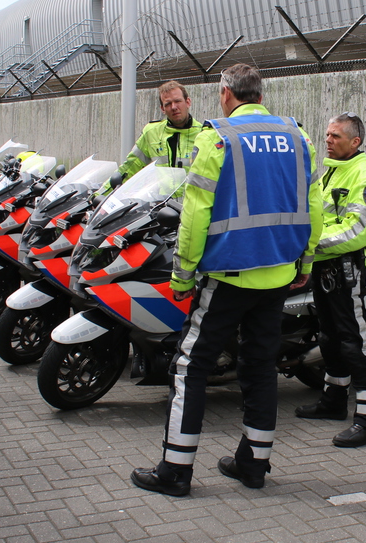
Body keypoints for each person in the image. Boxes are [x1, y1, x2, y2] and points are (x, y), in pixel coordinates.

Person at [131, 63, 323, 496]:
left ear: (225, 94)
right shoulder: (298, 137)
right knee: (259, 367)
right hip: (278, 273)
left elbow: (195, 215)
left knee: (188, 366)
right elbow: (314, 206)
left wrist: (182, 274)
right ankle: (253, 465)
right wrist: (305, 263)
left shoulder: (216, 137)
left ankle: (175, 470)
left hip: (228, 275)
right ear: (259, 93)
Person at [294, 113, 366, 447]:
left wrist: (307, 243)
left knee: (354, 341)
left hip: (345, 269)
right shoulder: (331, 172)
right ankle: (333, 401)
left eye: (336, 136)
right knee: (330, 338)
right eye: (327, 134)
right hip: (324, 268)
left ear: (356, 142)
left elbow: (355, 231)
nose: (328, 140)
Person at [101, 81, 204, 193]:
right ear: (162, 109)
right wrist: (100, 196)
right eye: (168, 104)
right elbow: (130, 167)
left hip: (191, 208)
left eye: (178, 101)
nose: (174, 107)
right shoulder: (152, 132)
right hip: (161, 207)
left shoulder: (204, 134)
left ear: (188, 102)